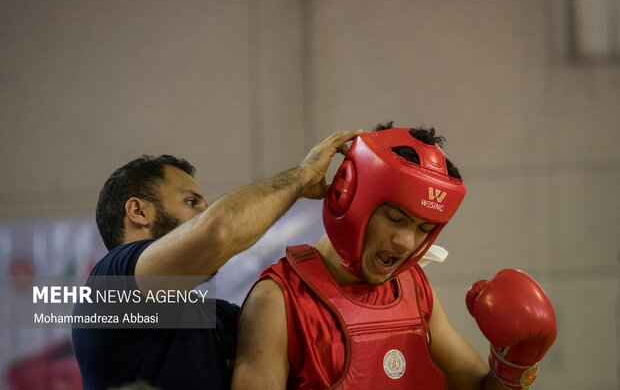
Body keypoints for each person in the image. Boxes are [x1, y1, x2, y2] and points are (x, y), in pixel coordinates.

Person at [231, 123, 557, 390]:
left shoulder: (413, 287)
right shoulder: (278, 301)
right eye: (396, 218)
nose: (406, 242)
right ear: (348, 197)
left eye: (423, 227)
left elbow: (478, 387)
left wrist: (515, 365)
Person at [71, 129, 362, 390]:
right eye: (191, 202)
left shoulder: (213, 317)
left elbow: (303, 328)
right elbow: (218, 232)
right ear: (139, 211)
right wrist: (302, 176)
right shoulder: (110, 286)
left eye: (205, 207)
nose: (202, 214)